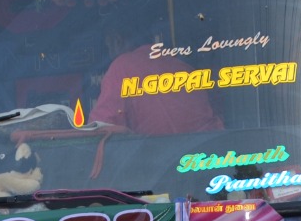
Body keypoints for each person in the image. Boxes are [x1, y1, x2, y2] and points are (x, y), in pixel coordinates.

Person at [90, 19, 222, 135]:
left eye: (108, 47)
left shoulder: (121, 67)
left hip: (159, 154)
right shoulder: (183, 67)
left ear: (117, 41)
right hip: (206, 152)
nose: (110, 54)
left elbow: (100, 129)